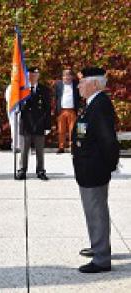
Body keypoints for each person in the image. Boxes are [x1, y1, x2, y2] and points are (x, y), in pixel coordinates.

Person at [73, 67, 119, 274]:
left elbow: (108, 141)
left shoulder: (99, 105)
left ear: (94, 84)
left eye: (82, 82)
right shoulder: (92, 104)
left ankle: (102, 259)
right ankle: (97, 245)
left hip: (94, 169)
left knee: (97, 212)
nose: (78, 86)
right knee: (92, 211)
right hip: (88, 168)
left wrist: (107, 166)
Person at [16, 67, 51, 181]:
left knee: (40, 150)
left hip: (39, 123)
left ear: (38, 76)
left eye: (35, 75)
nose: (33, 77)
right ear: (28, 76)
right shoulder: (22, 90)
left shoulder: (44, 90)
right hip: (26, 124)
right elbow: (17, 107)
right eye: (31, 75)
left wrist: (47, 125)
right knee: (24, 150)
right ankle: (22, 170)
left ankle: (40, 170)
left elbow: (47, 109)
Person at [54, 69, 80, 154]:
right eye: (65, 75)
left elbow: (80, 97)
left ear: (72, 77)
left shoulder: (76, 84)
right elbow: (56, 97)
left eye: (69, 75)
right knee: (61, 130)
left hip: (72, 110)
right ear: (62, 77)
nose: (67, 77)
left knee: (72, 130)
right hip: (61, 110)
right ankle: (61, 147)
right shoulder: (58, 85)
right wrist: (56, 110)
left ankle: (72, 146)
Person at [5, 84, 23, 152]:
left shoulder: (24, 86)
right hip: (13, 109)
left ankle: (22, 145)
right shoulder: (10, 87)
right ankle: (15, 145)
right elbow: (7, 99)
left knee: (22, 128)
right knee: (14, 127)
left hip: (22, 109)